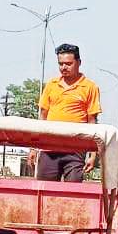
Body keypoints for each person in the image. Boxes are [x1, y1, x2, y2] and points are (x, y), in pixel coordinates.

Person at [34, 43, 101, 181]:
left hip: (75, 149)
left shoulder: (90, 87)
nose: (64, 67)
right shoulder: (51, 85)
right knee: (44, 190)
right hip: (49, 148)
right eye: (61, 64)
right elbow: (42, 118)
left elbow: (92, 122)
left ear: (79, 63)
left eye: (68, 64)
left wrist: (93, 155)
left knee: (73, 192)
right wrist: (34, 148)